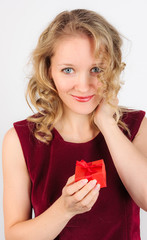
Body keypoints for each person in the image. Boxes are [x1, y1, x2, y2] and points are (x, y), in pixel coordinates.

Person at [2, 9, 147, 240]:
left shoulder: (134, 125)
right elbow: (14, 236)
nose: (83, 85)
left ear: (112, 69)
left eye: (96, 70)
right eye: (68, 70)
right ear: (49, 70)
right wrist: (64, 209)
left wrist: (107, 124)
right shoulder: (19, 140)